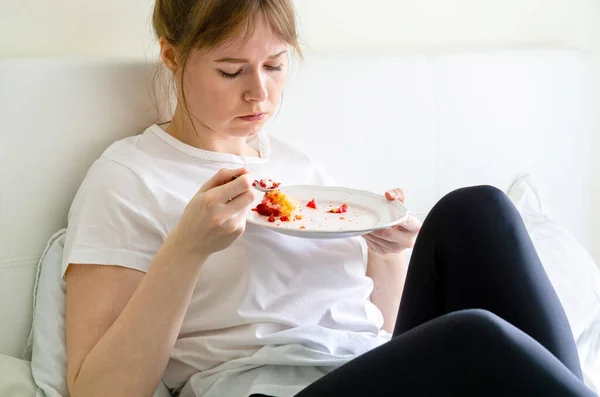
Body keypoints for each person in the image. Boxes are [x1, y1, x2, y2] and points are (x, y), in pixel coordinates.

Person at [62, 1, 596, 397]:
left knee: (478, 210)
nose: (260, 94)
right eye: (230, 70)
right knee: (473, 334)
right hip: (265, 390)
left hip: (363, 366)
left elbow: (375, 326)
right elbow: (97, 390)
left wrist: (386, 254)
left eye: (274, 66)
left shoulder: (300, 168)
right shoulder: (129, 176)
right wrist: (186, 249)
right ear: (172, 57)